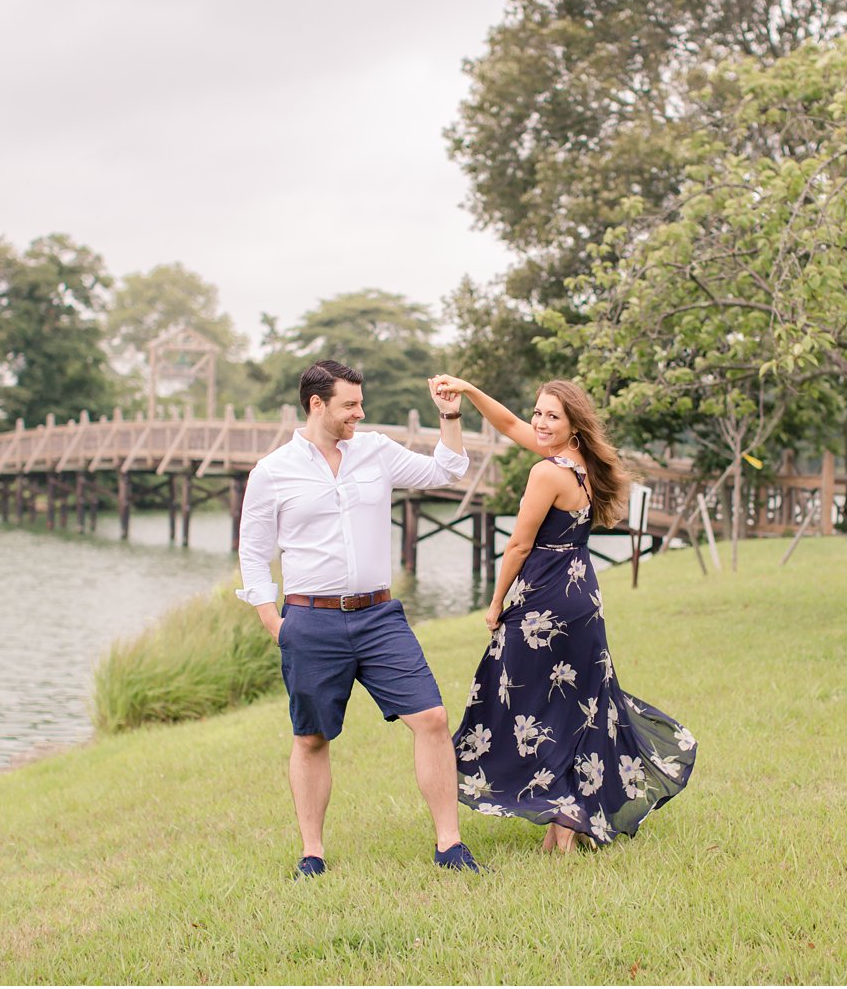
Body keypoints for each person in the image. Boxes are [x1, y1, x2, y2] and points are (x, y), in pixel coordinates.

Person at [428, 374, 696, 852]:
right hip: (583, 598)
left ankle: (557, 808)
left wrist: (495, 604)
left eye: (552, 415)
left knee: (522, 700)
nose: (539, 421)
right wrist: (468, 390)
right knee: (578, 706)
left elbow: (518, 544)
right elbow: (508, 422)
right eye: (538, 412)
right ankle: (567, 818)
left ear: (573, 425)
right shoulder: (582, 465)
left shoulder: (546, 473)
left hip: (545, 602)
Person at [235, 359, 480, 877]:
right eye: (349, 405)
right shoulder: (272, 471)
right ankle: (312, 853)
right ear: (316, 404)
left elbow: (446, 470)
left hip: (378, 617)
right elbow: (254, 553)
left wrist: (451, 418)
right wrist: (271, 620)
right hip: (310, 621)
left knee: (432, 718)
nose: (359, 413)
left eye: (359, 403)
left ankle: (450, 845)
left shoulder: (375, 450)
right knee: (311, 737)